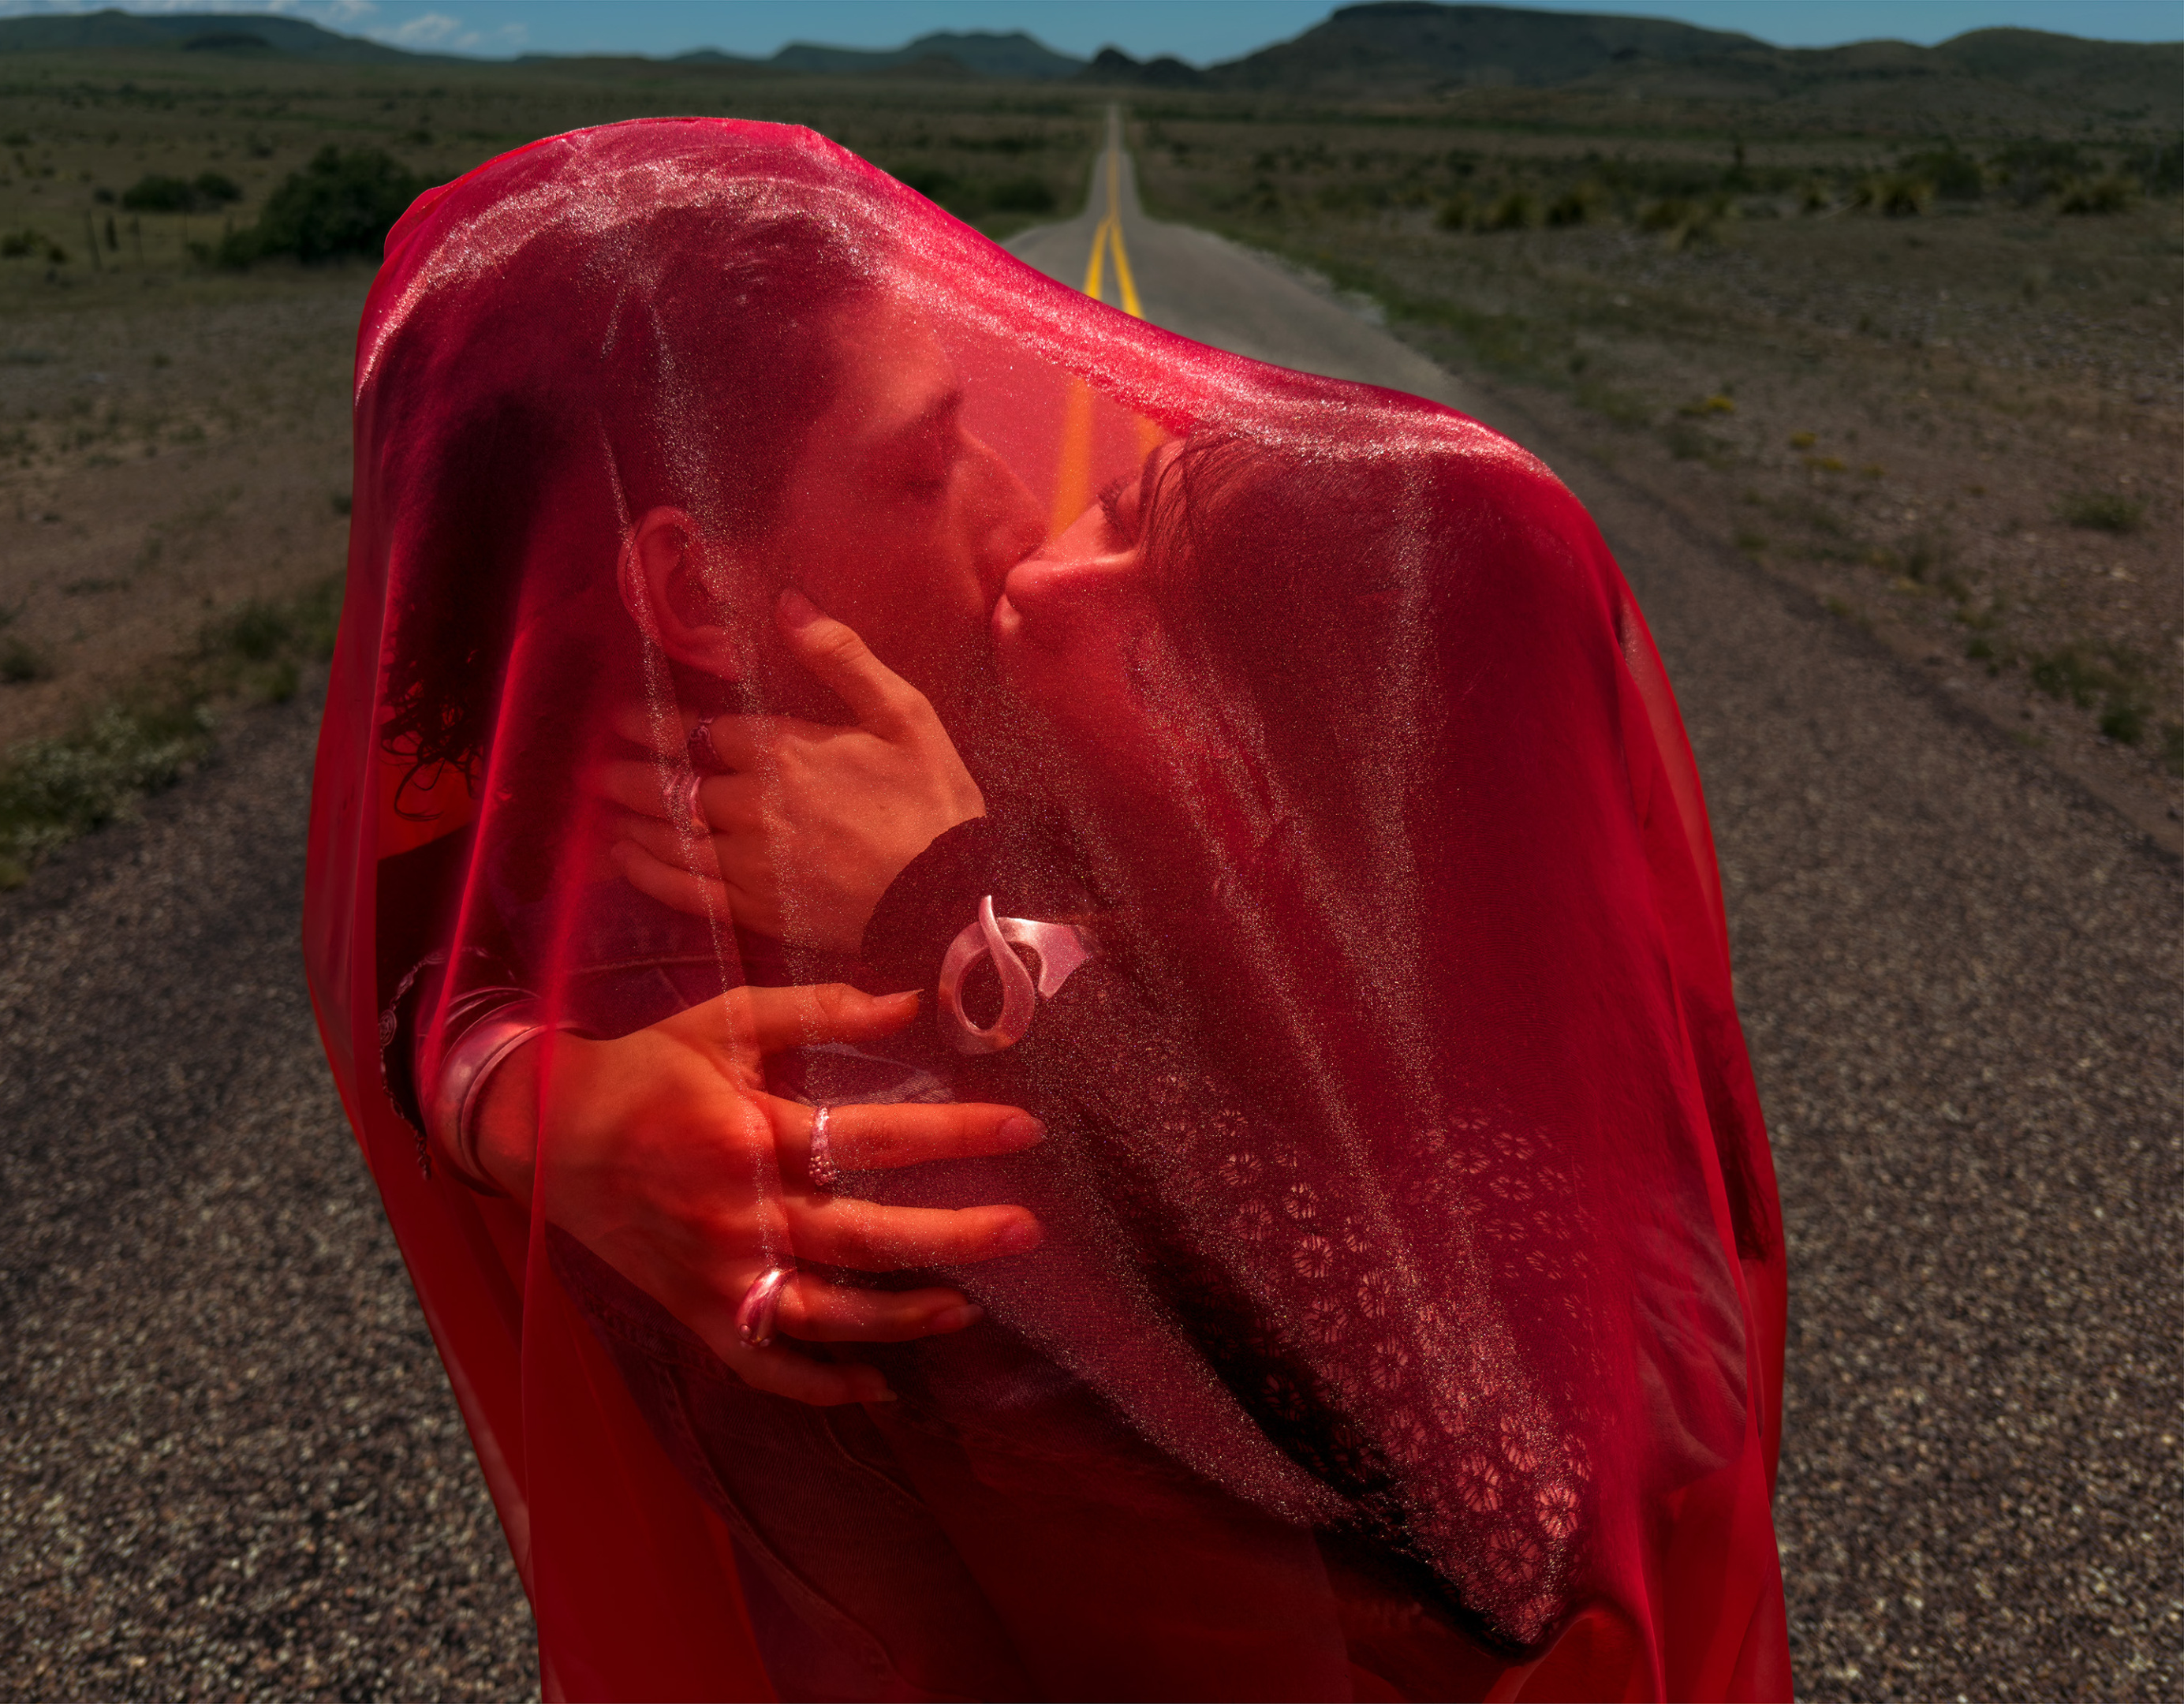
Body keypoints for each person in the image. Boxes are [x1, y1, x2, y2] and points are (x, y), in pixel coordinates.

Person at [308, 117, 1790, 1700]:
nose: (1026, 521)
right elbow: (1439, 1542)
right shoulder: (848, 1102)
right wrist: (528, 1081)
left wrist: (498, 1078)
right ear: (691, 592)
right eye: (926, 465)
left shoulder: (924, 825)